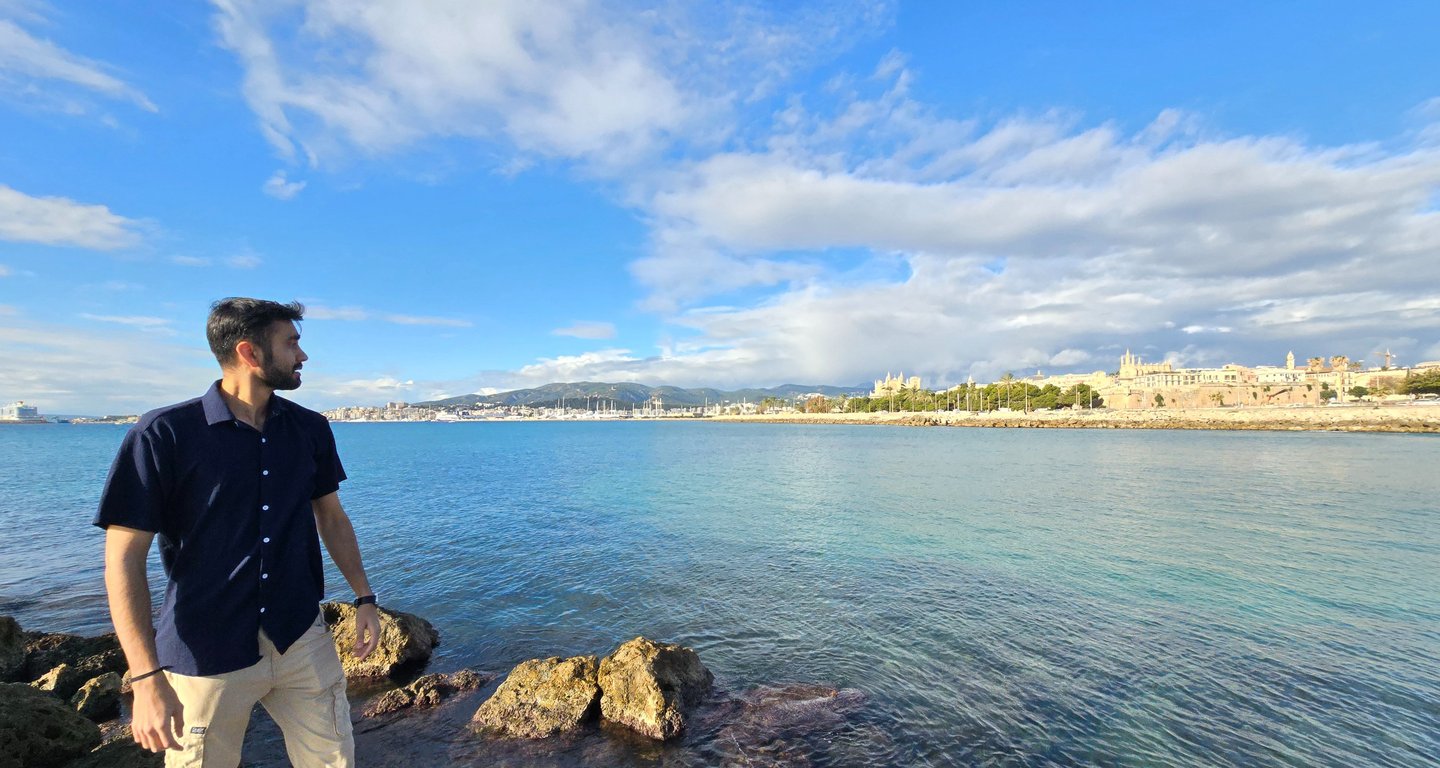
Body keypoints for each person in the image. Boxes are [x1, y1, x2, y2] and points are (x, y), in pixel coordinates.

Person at [96, 297, 379, 767]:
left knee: (335, 761)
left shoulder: (310, 429)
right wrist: (145, 678)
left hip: (300, 637)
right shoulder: (162, 434)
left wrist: (364, 598)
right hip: (206, 648)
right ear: (249, 353)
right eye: (291, 344)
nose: (302, 356)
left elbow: (331, 517)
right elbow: (123, 559)